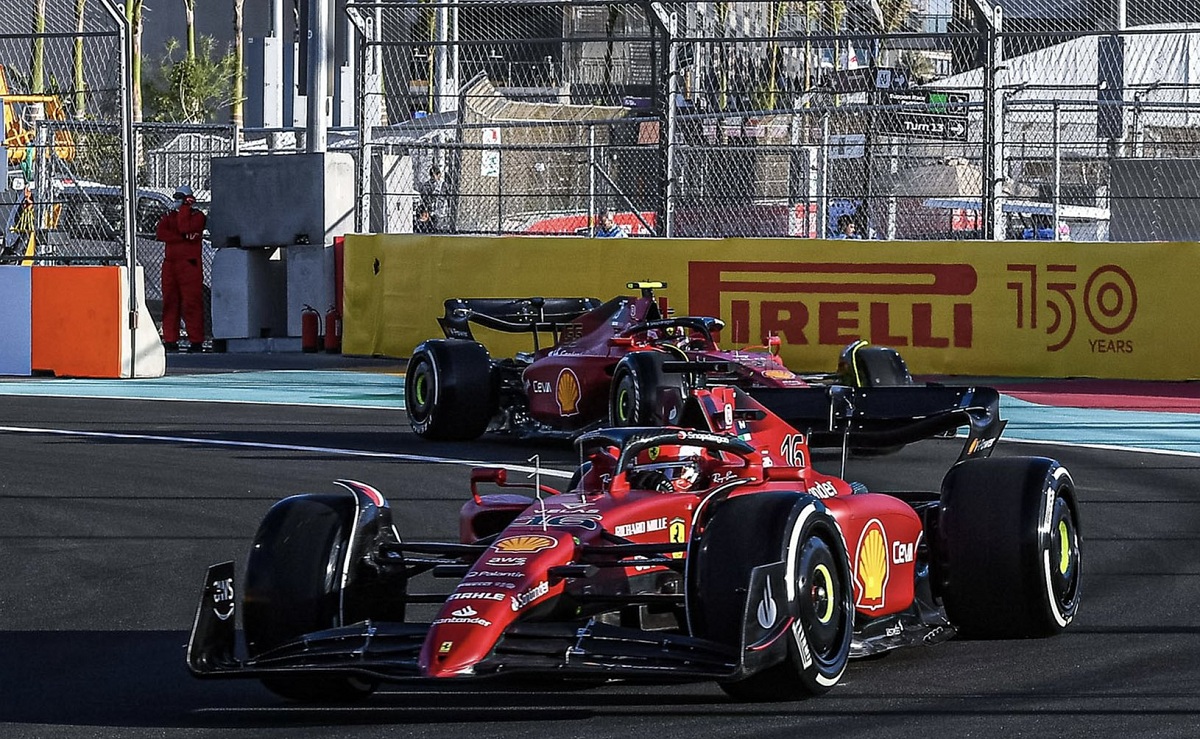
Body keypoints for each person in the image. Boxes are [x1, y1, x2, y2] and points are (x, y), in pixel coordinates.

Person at [155, 184, 207, 353]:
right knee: (170, 302)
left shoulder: (197, 216)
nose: (177, 201)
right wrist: (182, 237)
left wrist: (185, 210)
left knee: (191, 303)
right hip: (171, 264)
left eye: (181, 198)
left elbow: (186, 228)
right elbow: (161, 233)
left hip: (189, 264)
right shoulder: (169, 216)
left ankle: (196, 340)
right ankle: (170, 339)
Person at [419, 165, 449, 231]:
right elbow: (423, 198)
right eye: (432, 175)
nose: (434, 177)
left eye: (435, 175)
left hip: (438, 212)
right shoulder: (427, 185)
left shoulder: (443, 185)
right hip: (431, 212)